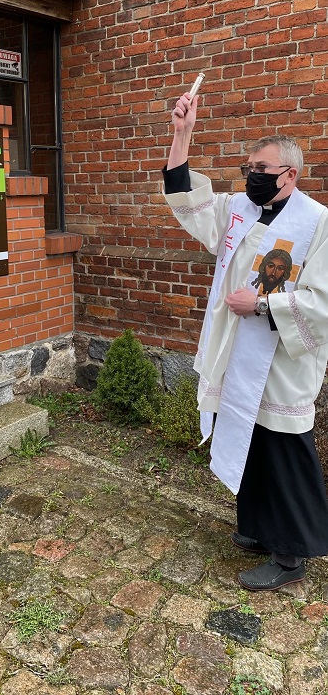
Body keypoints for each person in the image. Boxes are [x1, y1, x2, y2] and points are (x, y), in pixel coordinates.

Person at [162, 89, 328, 591]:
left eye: (261, 168)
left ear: (289, 175)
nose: (251, 175)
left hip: (281, 362)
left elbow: (322, 301)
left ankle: (291, 555)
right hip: (239, 352)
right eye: (248, 167)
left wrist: (260, 305)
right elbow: (188, 200)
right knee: (252, 442)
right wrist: (182, 134)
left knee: (283, 452)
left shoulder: (318, 223)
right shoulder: (239, 210)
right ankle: (259, 529)